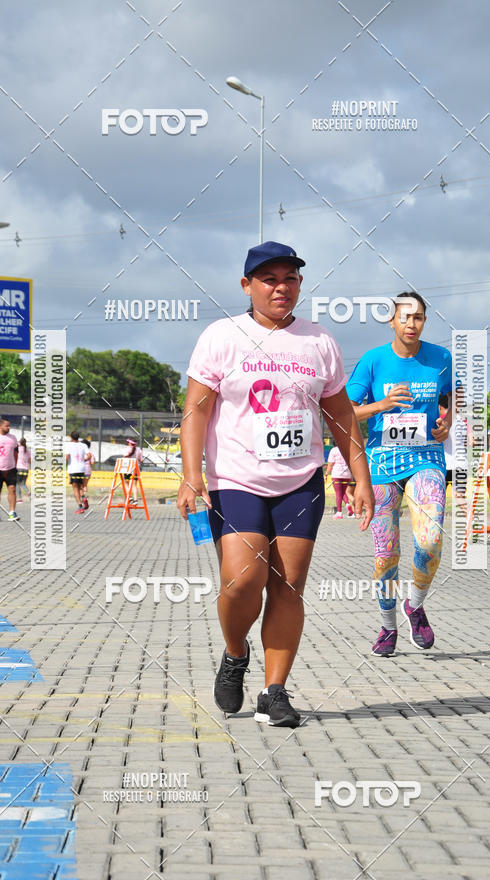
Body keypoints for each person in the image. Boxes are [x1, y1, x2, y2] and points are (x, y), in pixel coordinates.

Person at [177, 240, 374, 728]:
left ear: (300, 285)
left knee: (288, 586)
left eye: (290, 279)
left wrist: (361, 477)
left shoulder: (319, 342)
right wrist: (191, 475)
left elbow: (342, 417)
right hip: (236, 480)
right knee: (243, 579)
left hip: (300, 482)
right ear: (247, 286)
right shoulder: (222, 336)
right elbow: (195, 412)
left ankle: (274, 691)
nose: (281, 287)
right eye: (269, 279)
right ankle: (235, 652)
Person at [346, 291, 452, 656]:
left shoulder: (440, 358)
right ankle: (388, 625)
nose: (411, 323)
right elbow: (345, 410)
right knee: (385, 554)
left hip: (426, 457)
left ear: (424, 321)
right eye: (404, 317)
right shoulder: (373, 360)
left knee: (430, 540)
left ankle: (415, 605)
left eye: (418, 317)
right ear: (392, 320)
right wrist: (382, 404)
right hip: (381, 464)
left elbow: (452, 396)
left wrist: (447, 421)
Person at [325, 445, 354, 518]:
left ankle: (339, 512)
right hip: (347, 474)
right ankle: (347, 505)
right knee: (343, 492)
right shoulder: (347, 449)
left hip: (337, 474)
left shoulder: (334, 450)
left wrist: (326, 474)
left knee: (338, 493)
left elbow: (330, 464)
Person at [65, 430, 91, 513]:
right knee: (80, 486)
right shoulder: (83, 445)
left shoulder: (68, 445)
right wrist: (84, 460)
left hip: (73, 469)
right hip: (82, 468)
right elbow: (89, 455)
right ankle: (83, 497)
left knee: (75, 488)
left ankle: (80, 507)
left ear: (71, 437)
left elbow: (67, 457)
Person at [124, 438, 143, 503]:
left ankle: (129, 497)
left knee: (126, 482)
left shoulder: (127, 449)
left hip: (128, 470)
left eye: (128, 442)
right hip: (135, 470)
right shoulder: (139, 450)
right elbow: (141, 460)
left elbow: (125, 457)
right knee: (134, 485)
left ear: (130, 443)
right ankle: (135, 500)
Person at [16, 437, 31, 503]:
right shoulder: (28, 450)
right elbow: (30, 460)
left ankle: (19, 498)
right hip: (26, 469)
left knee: (17, 484)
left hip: (19, 468)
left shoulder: (18, 449)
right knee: (23, 484)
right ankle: (28, 492)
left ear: (20, 442)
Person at [81, 439, 94, 510]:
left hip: (81, 470)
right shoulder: (91, 453)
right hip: (88, 470)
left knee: (80, 486)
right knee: (85, 485)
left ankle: (83, 498)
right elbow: (92, 462)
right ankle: (85, 497)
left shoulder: (81, 453)